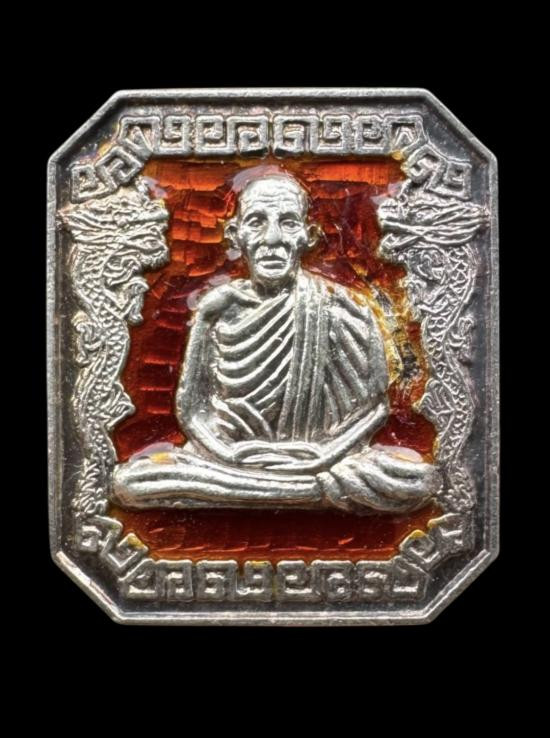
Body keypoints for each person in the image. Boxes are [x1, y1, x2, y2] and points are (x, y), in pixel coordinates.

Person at [112, 171, 441, 513]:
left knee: (418, 481)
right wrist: (228, 454)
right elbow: (192, 411)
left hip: (322, 458)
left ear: (307, 236)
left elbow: (375, 409)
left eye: (288, 222)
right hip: (227, 460)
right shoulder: (216, 307)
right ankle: (306, 492)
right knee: (131, 483)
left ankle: (267, 491)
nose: (272, 238)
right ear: (235, 236)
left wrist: (323, 456)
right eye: (256, 222)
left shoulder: (345, 307)